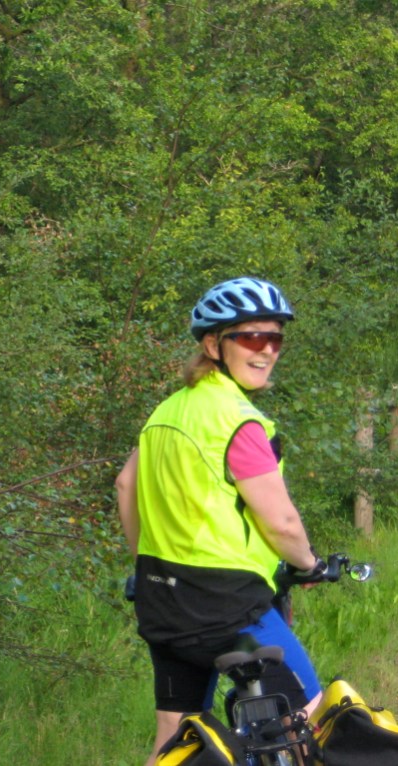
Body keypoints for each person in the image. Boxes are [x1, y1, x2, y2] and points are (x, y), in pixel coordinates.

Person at [115, 277, 326, 766]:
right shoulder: (237, 419)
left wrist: (148, 562)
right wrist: (309, 564)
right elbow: (282, 523)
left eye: (275, 338)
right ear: (213, 344)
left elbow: (126, 486)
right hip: (228, 608)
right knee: (309, 718)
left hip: (161, 599)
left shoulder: (167, 412)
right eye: (251, 337)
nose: (266, 349)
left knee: (175, 737)